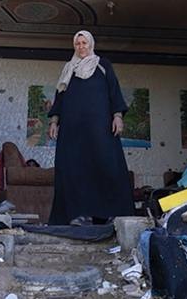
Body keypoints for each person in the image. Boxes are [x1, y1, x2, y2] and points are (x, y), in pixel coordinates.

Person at [46, 30, 135, 225]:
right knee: (74, 170)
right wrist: (54, 121)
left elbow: (114, 91)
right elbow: (60, 97)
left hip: (100, 129)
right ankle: (77, 215)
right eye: (77, 44)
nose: (81, 47)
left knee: (106, 166)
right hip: (72, 131)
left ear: (91, 44)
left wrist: (117, 116)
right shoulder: (69, 68)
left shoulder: (103, 65)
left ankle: (110, 213)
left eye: (84, 43)